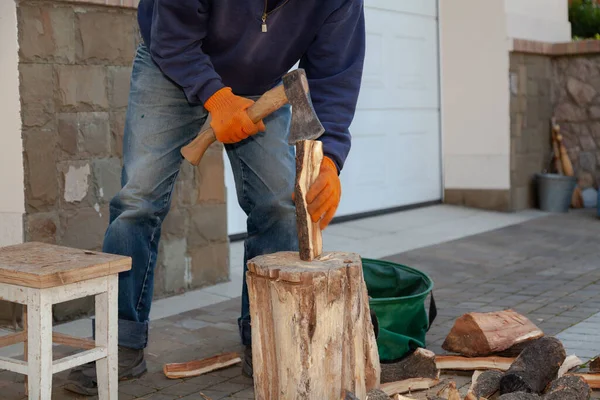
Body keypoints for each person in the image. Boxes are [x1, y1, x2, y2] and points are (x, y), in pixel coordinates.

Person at [65, 0, 365, 395]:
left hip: (262, 86)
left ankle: (264, 337)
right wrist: (216, 98)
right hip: (173, 67)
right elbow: (171, 33)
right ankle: (119, 341)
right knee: (138, 201)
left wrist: (328, 159)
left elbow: (334, 76)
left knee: (278, 205)